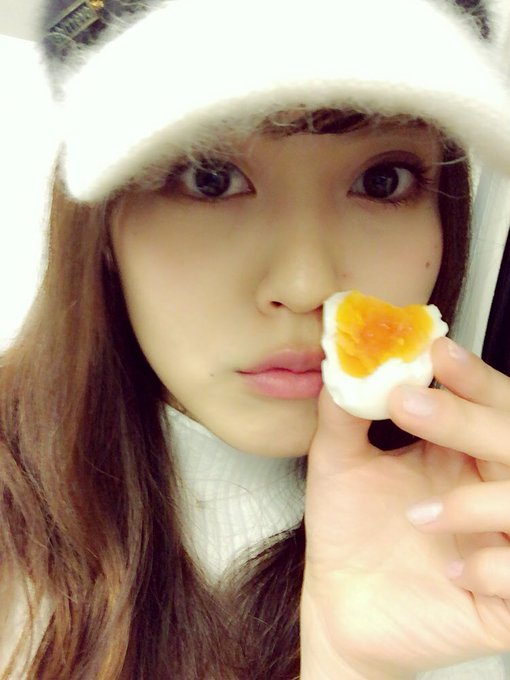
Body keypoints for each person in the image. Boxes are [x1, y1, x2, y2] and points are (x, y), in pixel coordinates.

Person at [1, 0, 510, 677]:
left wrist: (355, 668)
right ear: (101, 228)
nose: (305, 285)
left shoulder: (469, 547)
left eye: (381, 181)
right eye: (209, 178)